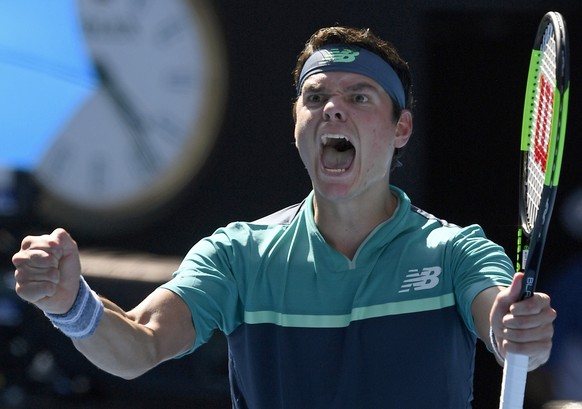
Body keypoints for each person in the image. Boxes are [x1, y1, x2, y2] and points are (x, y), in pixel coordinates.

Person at [12, 26, 555, 408]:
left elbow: (502, 324)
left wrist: (518, 331)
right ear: (298, 124)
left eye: (360, 97)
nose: (332, 109)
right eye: (315, 97)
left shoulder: (458, 253)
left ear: (401, 129)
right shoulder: (237, 255)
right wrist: (70, 305)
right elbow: (139, 345)